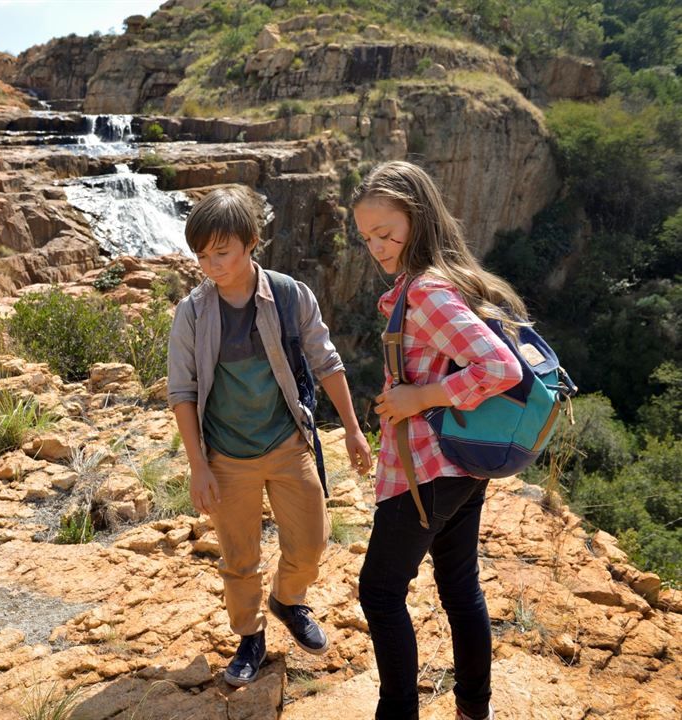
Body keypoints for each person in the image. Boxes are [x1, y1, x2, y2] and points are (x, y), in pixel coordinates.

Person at [167, 185, 373, 687]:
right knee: (240, 559)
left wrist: (351, 429)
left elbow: (327, 362)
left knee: (311, 541)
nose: (211, 265)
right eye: (202, 256)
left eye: (222, 253)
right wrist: (198, 466)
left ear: (251, 242)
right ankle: (250, 637)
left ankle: (288, 599)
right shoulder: (193, 313)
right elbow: (182, 392)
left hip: (288, 444)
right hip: (228, 456)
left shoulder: (288, 295)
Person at [352, 161, 525, 720]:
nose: (377, 247)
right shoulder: (443, 278)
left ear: (418, 218)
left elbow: (501, 368)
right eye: (367, 237)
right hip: (460, 463)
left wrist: (418, 399)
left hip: (425, 468)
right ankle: (475, 708)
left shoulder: (426, 291)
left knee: (380, 593)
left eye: (386, 232)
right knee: (458, 585)